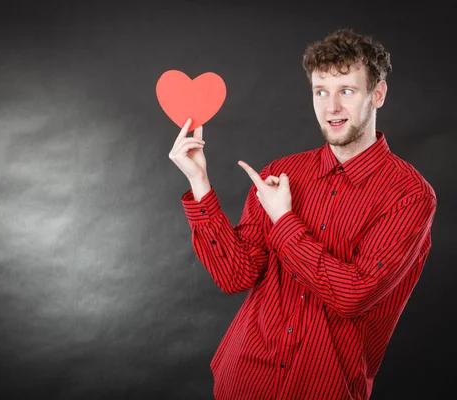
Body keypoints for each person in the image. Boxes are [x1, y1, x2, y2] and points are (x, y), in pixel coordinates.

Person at [168, 28, 437, 400]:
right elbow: (235, 275)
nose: (332, 108)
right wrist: (200, 181)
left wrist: (284, 222)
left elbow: (353, 295)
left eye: (347, 91)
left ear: (378, 94)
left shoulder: (409, 194)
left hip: (324, 388)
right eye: (321, 92)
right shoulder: (282, 172)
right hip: (244, 380)